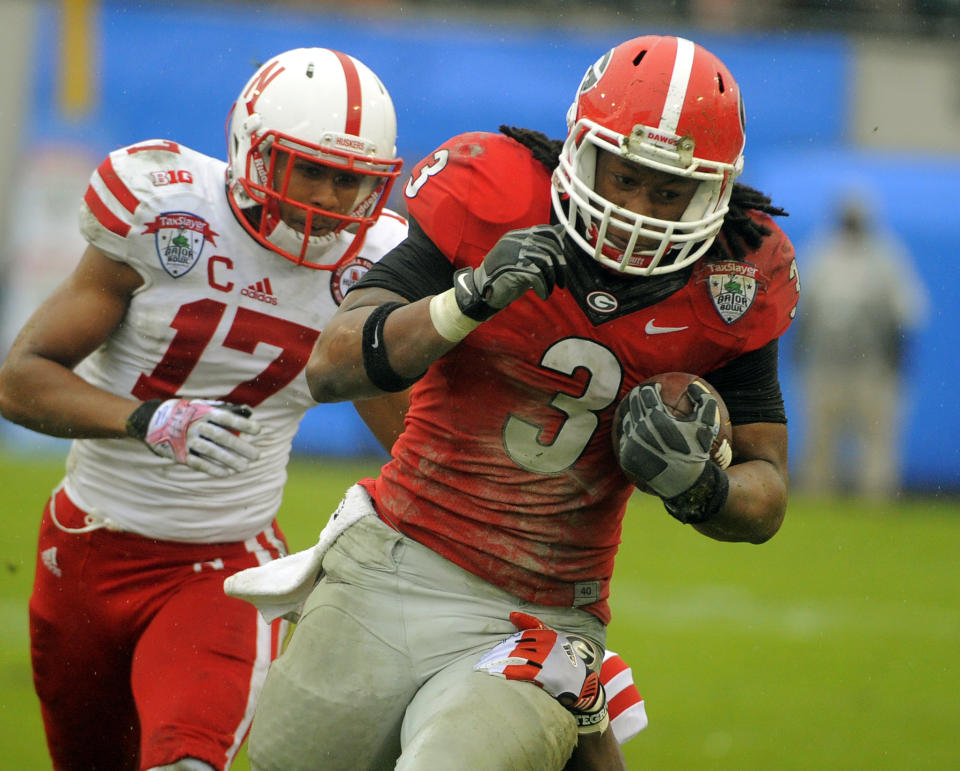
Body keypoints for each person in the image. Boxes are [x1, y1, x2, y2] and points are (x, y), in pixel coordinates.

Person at [245, 34, 800, 771]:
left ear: (714, 192)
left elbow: (766, 493)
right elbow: (333, 363)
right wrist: (461, 304)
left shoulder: (736, 274)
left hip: (539, 615)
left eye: (669, 191)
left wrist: (704, 488)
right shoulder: (495, 192)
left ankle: (575, 697)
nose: (637, 207)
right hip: (391, 561)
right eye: (624, 176)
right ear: (579, 148)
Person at [0, 48, 409, 771]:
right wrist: (144, 418)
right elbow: (21, 378)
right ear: (250, 148)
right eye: (308, 168)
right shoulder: (165, 210)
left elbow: (409, 438)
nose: (331, 200)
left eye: (351, 179)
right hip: (84, 546)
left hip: (223, 566)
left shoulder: (373, 267)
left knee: (187, 760)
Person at [793, 192, 928, 499]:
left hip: (873, 367)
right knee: (819, 441)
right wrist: (800, 355)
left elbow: (906, 313)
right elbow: (803, 310)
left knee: (877, 442)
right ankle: (817, 501)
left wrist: (895, 364)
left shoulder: (887, 258)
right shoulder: (821, 253)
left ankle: (875, 501)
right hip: (826, 365)